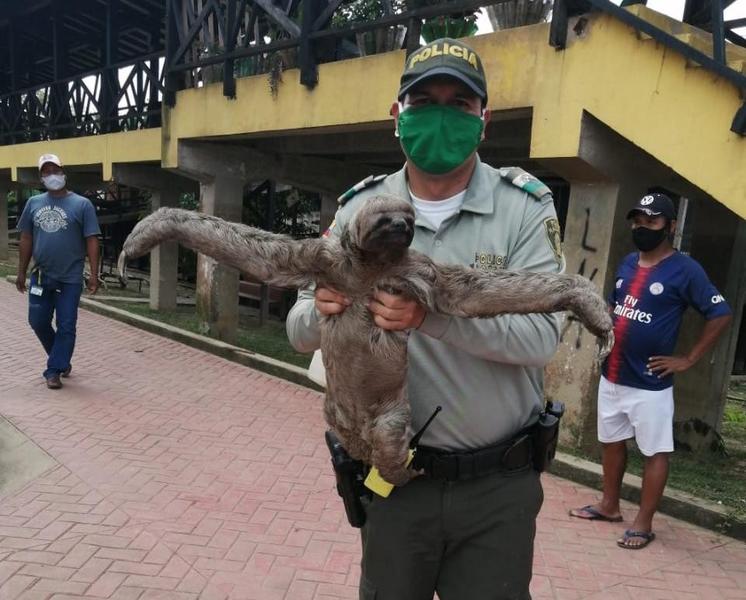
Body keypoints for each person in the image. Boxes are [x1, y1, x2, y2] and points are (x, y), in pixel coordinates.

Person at [287, 38, 565, 599]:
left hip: (497, 486)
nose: (441, 113)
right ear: (397, 117)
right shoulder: (356, 211)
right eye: (423, 101)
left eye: (459, 103)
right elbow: (297, 331)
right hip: (392, 480)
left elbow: (541, 337)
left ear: (483, 119)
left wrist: (430, 317)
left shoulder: (524, 208)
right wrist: (324, 310)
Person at [570, 192, 732, 549]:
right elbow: (616, 306)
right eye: (638, 221)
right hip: (612, 373)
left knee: (655, 452)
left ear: (671, 227)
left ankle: (643, 523)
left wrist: (688, 358)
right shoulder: (628, 262)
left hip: (649, 383)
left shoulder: (686, 270)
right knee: (611, 443)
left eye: (652, 222)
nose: (642, 228)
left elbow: (720, 314)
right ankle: (609, 506)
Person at [15, 153, 101, 389]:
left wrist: (93, 274)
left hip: (70, 278)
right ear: (41, 177)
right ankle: (60, 358)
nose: (51, 175)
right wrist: (21, 271)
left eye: (55, 170)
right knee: (38, 320)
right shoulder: (34, 204)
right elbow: (26, 237)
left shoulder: (82, 205)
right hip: (41, 276)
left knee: (66, 325)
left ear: (63, 172)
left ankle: (53, 370)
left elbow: (92, 239)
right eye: (46, 171)